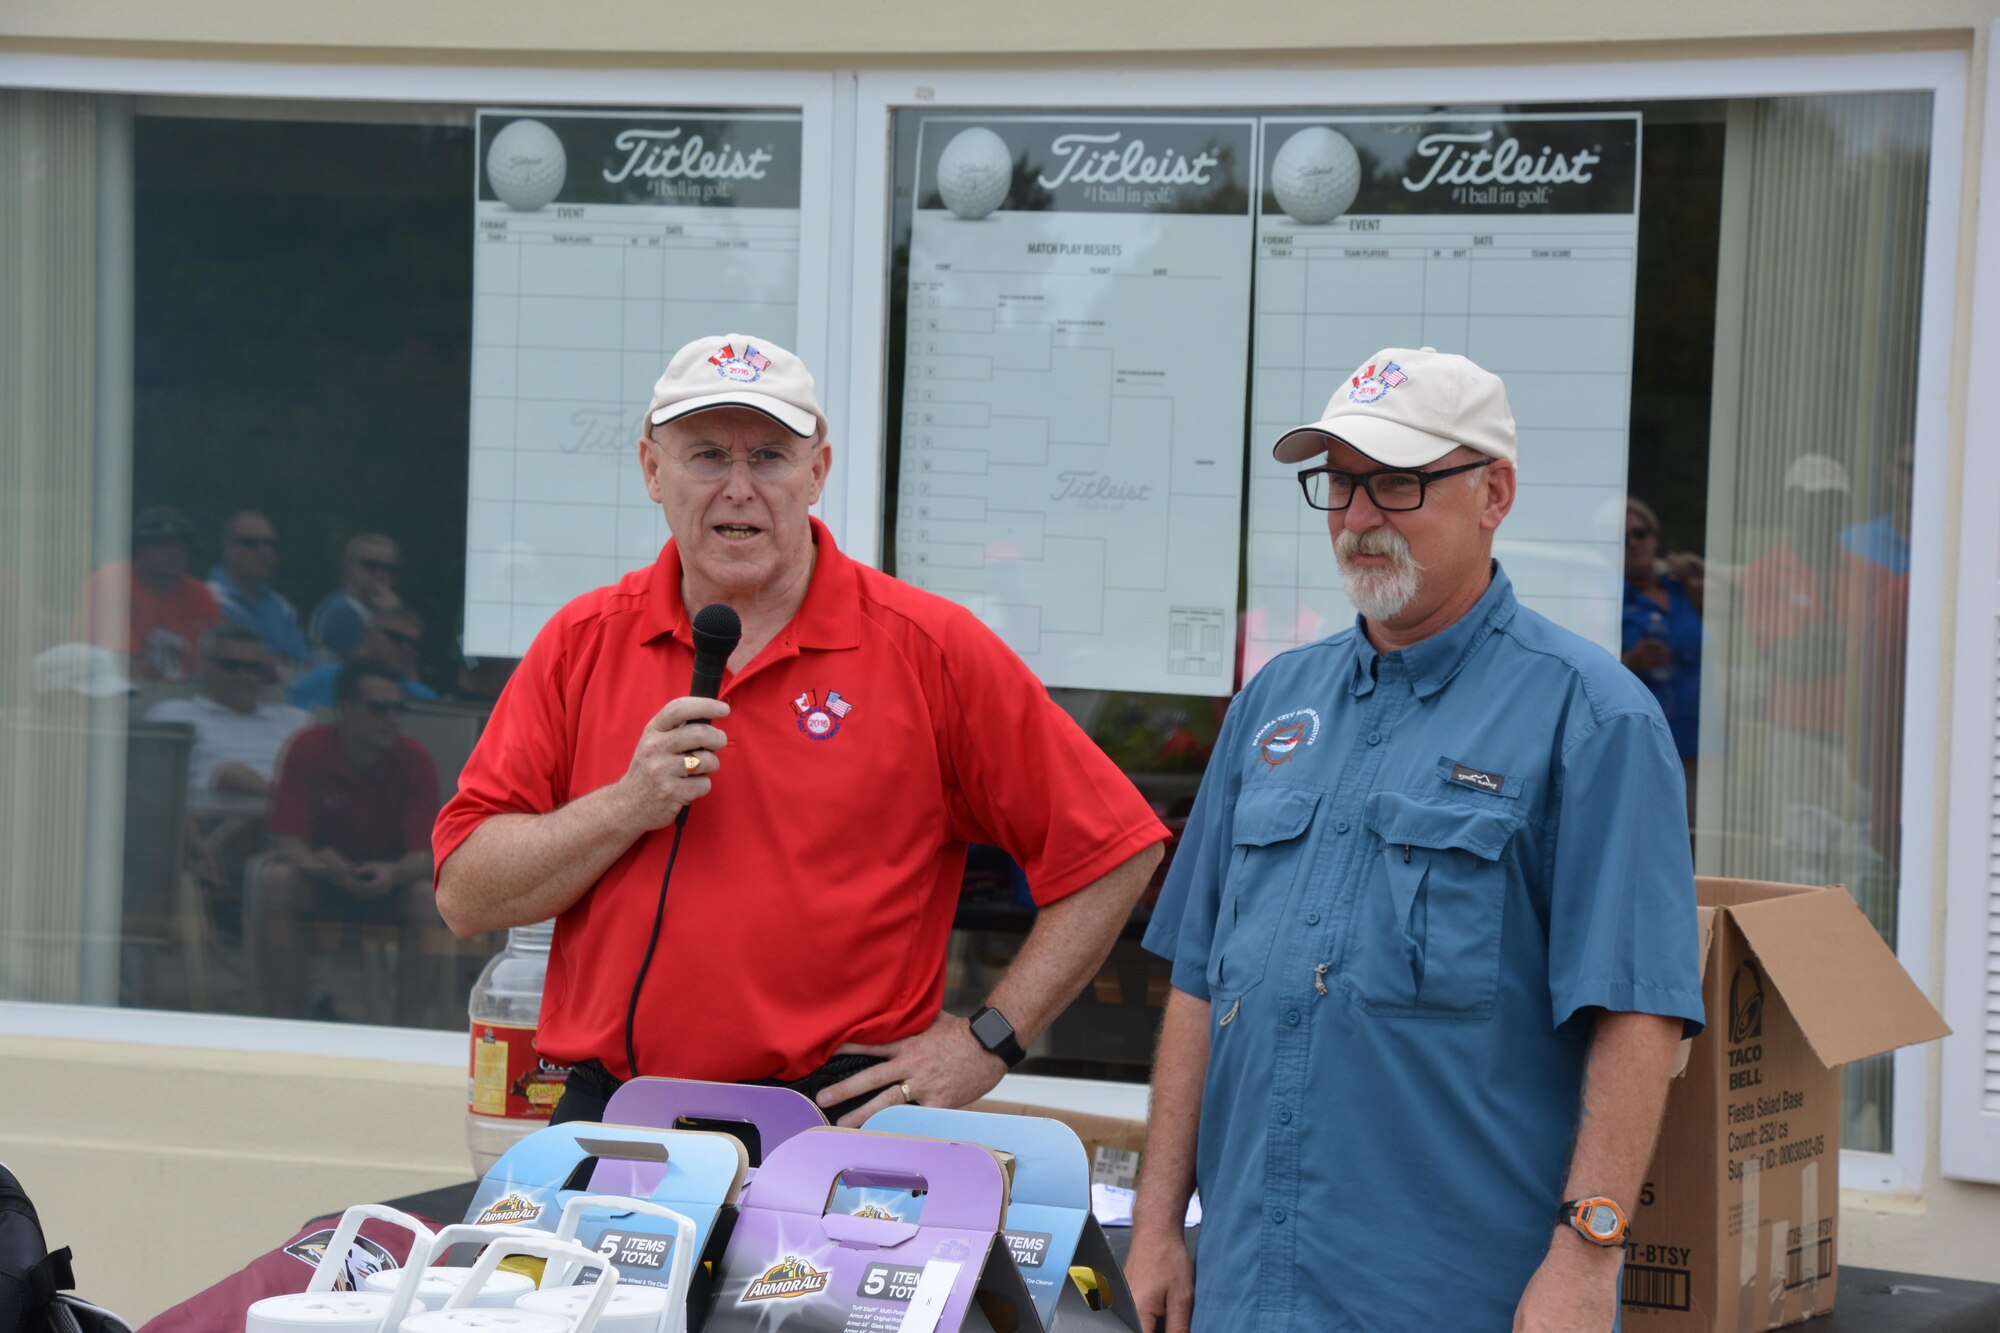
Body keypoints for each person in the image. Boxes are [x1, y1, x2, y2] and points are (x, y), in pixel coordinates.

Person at [432, 333, 1167, 1126]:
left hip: (835, 1119)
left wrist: (988, 1040)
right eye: (708, 455)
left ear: (817, 472)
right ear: (652, 469)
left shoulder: (927, 648)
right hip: (614, 1119)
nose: (739, 488)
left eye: (771, 457)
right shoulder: (582, 641)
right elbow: (465, 893)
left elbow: (1116, 852)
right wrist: (622, 806)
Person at [1127, 347, 1705, 1332]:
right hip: (1246, 1288)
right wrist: (1153, 1229)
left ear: (1494, 492)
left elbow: (1637, 1013)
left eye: (1395, 482)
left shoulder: (1592, 718)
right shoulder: (1273, 703)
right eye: (1339, 482)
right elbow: (1195, 981)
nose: (1356, 517)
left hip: (1456, 1295)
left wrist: (1584, 1258)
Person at [251, 657, 441, 1024]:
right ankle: (283, 1020)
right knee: (275, 883)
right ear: (346, 710)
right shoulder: (307, 747)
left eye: (398, 709)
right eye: (378, 708)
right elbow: (286, 841)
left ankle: (408, 1029)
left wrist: (392, 873)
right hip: (321, 879)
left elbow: (428, 856)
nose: (391, 718)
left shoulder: (414, 759)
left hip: (391, 884)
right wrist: (319, 864)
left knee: (425, 898)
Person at [144, 624, 308, 796]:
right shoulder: (173, 713)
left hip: (289, 817)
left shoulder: (295, 720)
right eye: (231, 666)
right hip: (211, 816)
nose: (244, 676)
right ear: (204, 666)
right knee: (231, 774)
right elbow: (150, 783)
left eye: (254, 668)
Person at [72, 506, 222, 683]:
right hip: (117, 693)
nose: (173, 554)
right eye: (162, 546)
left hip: (183, 698)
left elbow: (216, 661)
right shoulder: (111, 583)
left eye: (181, 546)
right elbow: (119, 663)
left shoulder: (199, 594)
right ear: (140, 549)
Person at [1620, 497, 1703, 811]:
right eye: (1623, 536)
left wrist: (1694, 566)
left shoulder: (1683, 591)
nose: (1633, 543)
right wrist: (1630, 661)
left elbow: (1750, 591)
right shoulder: (1607, 597)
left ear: (1655, 539)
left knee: (1697, 835)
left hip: (1695, 738)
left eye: (1640, 534)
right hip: (1643, 743)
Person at [206, 510, 312, 668]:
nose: (264, 552)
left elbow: (303, 665)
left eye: (270, 545)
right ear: (227, 547)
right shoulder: (207, 599)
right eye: (251, 543)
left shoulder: (282, 608)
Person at [286, 606, 437, 710]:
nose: (406, 647)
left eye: (414, 644)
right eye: (395, 637)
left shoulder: (425, 699)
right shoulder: (321, 680)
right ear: (367, 636)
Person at [309, 533, 403, 661]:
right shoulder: (340, 610)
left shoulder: (377, 610)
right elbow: (374, 665)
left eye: (389, 569)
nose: (381, 574)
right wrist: (393, 618)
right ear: (351, 566)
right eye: (371, 565)